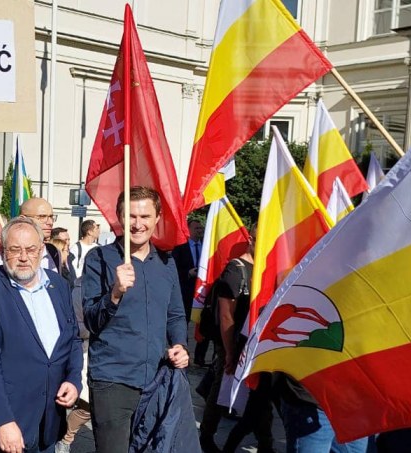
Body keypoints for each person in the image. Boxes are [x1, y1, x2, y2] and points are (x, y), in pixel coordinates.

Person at [82, 187, 189, 453]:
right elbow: (91, 320)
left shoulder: (166, 262)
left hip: (156, 379)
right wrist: (115, 293)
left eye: (145, 216)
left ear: (157, 218)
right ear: (119, 217)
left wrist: (180, 345)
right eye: (130, 216)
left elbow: (175, 314)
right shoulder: (100, 259)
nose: (137, 224)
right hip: (113, 380)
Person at [0, 216, 83, 453]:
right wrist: (2, 420)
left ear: (41, 250)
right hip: (8, 425)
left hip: (49, 422)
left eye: (31, 249)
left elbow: (71, 339)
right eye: (14, 249)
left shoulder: (58, 285)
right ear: (1, 251)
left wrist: (73, 381)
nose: (23, 257)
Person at [199, 226, 275, 453]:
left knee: (260, 395)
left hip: (255, 343)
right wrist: (230, 352)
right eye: (260, 239)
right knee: (222, 388)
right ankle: (206, 435)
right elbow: (226, 316)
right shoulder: (236, 269)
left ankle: (265, 442)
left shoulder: (265, 268)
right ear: (250, 239)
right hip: (232, 343)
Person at [0, 199, 60, 272]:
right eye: (42, 217)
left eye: (51, 216)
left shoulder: (53, 252)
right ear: (23, 219)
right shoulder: (1, 260)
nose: (50, 222)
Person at [172, 219, 204, 324]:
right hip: (186, 291)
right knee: (184, 321)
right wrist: (188, 273)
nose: (200, 230)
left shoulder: (206, 245)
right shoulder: (179, 247)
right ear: (188, 230)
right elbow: (174, 268)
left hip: (202, 291)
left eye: (200, 228)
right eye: (196, 228)